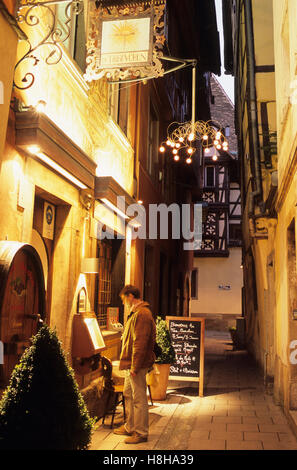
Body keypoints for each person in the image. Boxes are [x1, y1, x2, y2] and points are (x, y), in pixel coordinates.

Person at [114, 284, 156, 444]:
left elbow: (140, 342)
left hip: (136, 364)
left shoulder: (143, 314)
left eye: (124, 298)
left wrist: (135, 366)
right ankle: (130, 426)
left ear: (130, 296)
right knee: (128, 394)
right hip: (129, 363)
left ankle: (141, 432)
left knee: (139, 398)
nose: (123, 302)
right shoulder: (136, 313)